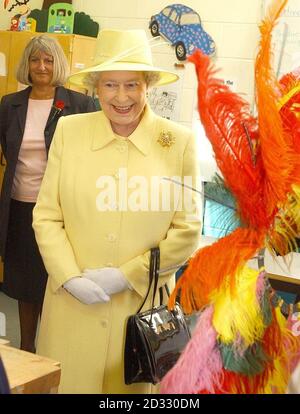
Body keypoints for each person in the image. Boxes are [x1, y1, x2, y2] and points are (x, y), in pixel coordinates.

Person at [32, 29, 201, 393]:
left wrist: (127, 276)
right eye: (110, 85)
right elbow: (47, 215)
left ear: (148, 86)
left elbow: (188, 230)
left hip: (140, 315)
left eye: (132, 85)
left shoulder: (179, 144)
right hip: (71, 309)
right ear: (95, 87)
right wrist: (68, 276)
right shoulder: (69, 131)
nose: (121, 97)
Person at [0, 35, 96, 353]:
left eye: (49, 60)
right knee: (25, 286)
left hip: (61, 212)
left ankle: (55, 351)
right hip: (20, 208)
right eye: (35, 59)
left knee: (56, 280)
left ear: (59, 64)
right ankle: (27, 348)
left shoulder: (79, 104)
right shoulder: (10, 105)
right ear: (26, 64)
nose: (42, 66)